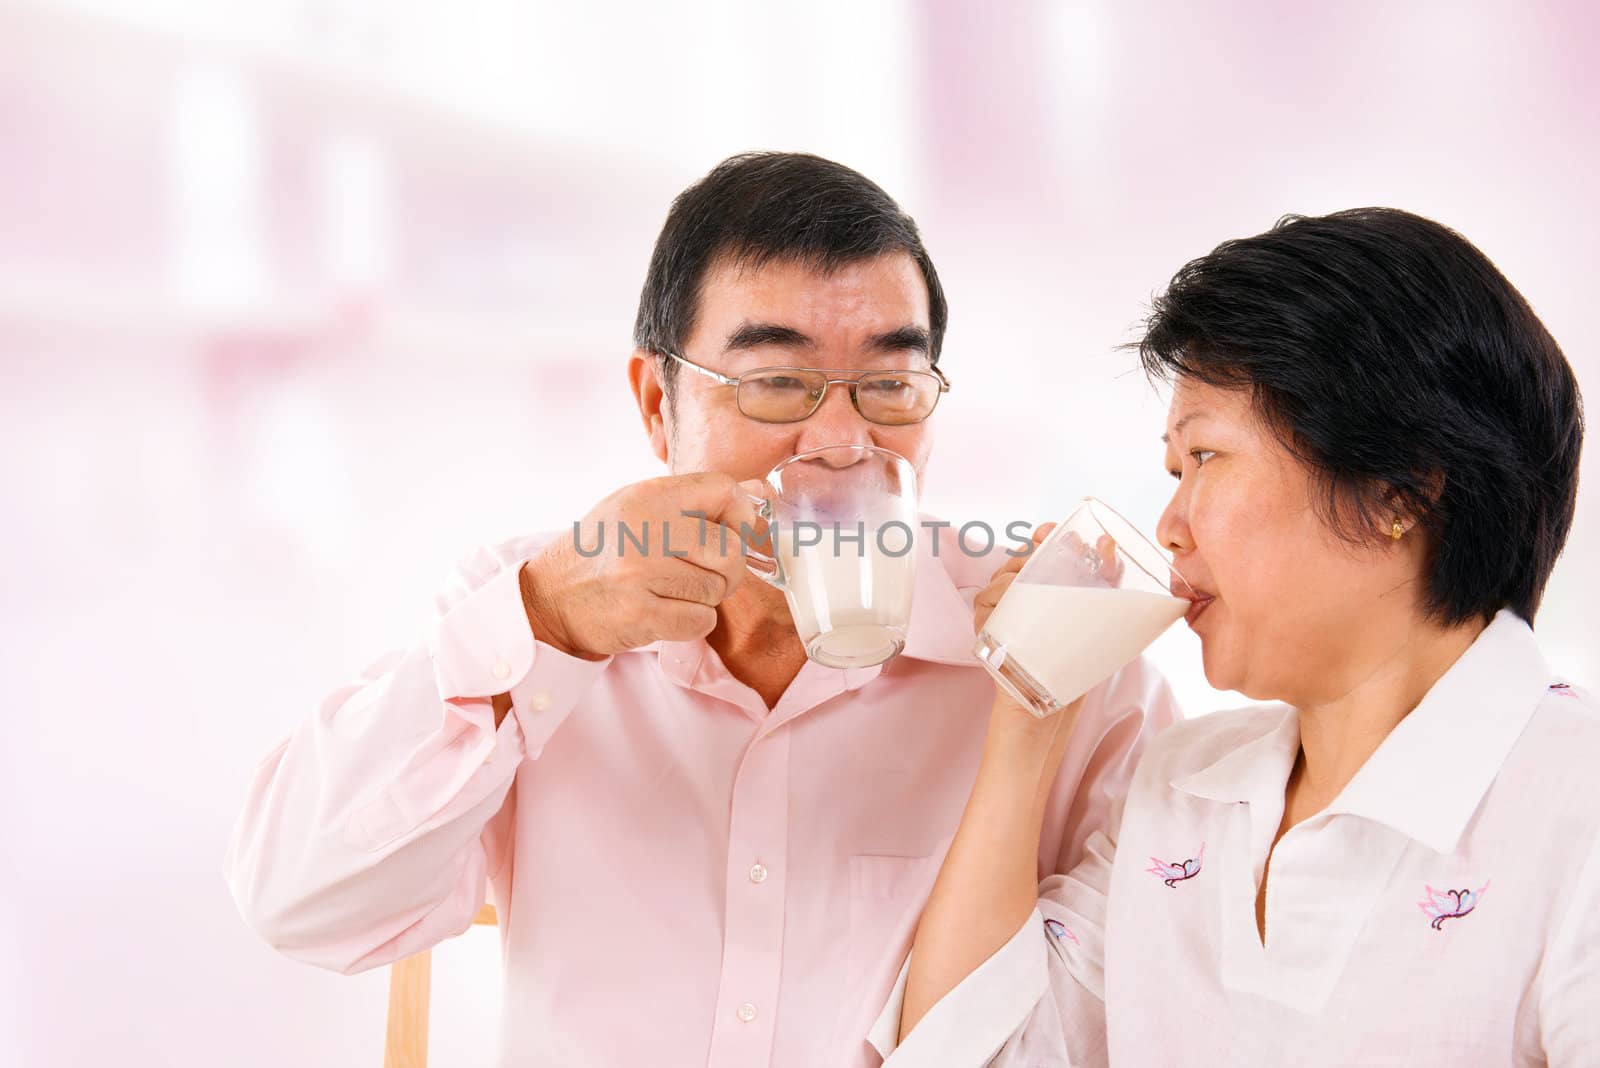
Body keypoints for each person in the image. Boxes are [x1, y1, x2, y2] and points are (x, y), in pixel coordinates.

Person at [222, 152, 1179, 1068]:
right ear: (655, 404)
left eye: (889, 384)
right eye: (776, 384)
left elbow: (1141, 1011)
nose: (842, 441)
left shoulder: (1052, 650)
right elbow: (299, 900)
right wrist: (544, 622)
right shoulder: (535, 607)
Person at [875, 208, 1595, 1065]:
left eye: (1206, 457)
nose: (1169, 526)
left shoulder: (1572, 807)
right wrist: (1027, 719)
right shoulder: (1186, 788)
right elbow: (968, 1054)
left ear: (1400, 491)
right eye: (1173, 473)